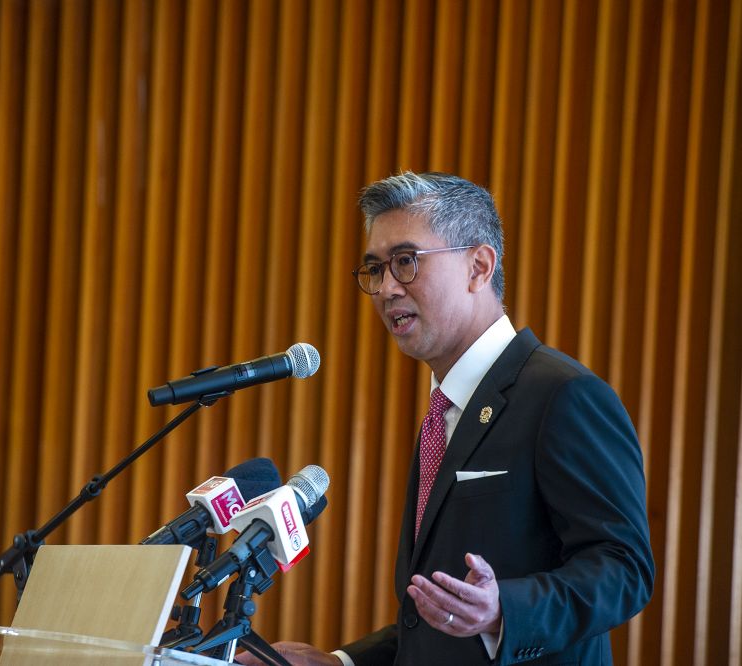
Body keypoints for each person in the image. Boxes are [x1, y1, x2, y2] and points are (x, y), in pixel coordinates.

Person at [236, 171, 654, 665]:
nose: (386, 289)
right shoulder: (446, 410)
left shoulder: (563, 395)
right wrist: (340, 662)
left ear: (478, 267)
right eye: (375, 269)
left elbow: (623, 568)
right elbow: (435, 618)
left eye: (406, 262)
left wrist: (504, 611)